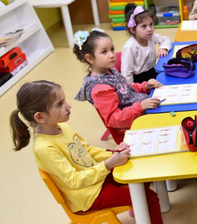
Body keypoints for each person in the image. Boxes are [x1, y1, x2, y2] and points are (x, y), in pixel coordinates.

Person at [9, 81, 163, 224]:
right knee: (147, 197)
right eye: (60, 104)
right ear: (40, 117)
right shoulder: (45, 148)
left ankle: (137, 208)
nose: (69, 106)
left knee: (139, 171)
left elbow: (87, 150)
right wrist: (108, 164)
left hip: (95, 179)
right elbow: (74, 181)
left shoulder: (61, 127)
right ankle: (138, 205)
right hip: (88, 195)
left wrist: (113, 153)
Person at [72, 28, 162, 144]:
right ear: (90, 58)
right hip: (134, 124)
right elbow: (114, 119)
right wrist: (141, 107)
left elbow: (126, 88)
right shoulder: (99, 88)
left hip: (142, 109)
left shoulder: (109, 70)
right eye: (104, 52)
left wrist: (145, 86)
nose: (111, 55)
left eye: (112, 49)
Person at [121, 4, 172, 83]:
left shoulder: (151, 37)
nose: (149, 29)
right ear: (133, 30)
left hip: (152, 73)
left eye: (151, 24)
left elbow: (167, 39)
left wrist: (163, 48)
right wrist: (134, 91)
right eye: (144, 26)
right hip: (138, 81)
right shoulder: (130, 47)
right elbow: (126, 74)